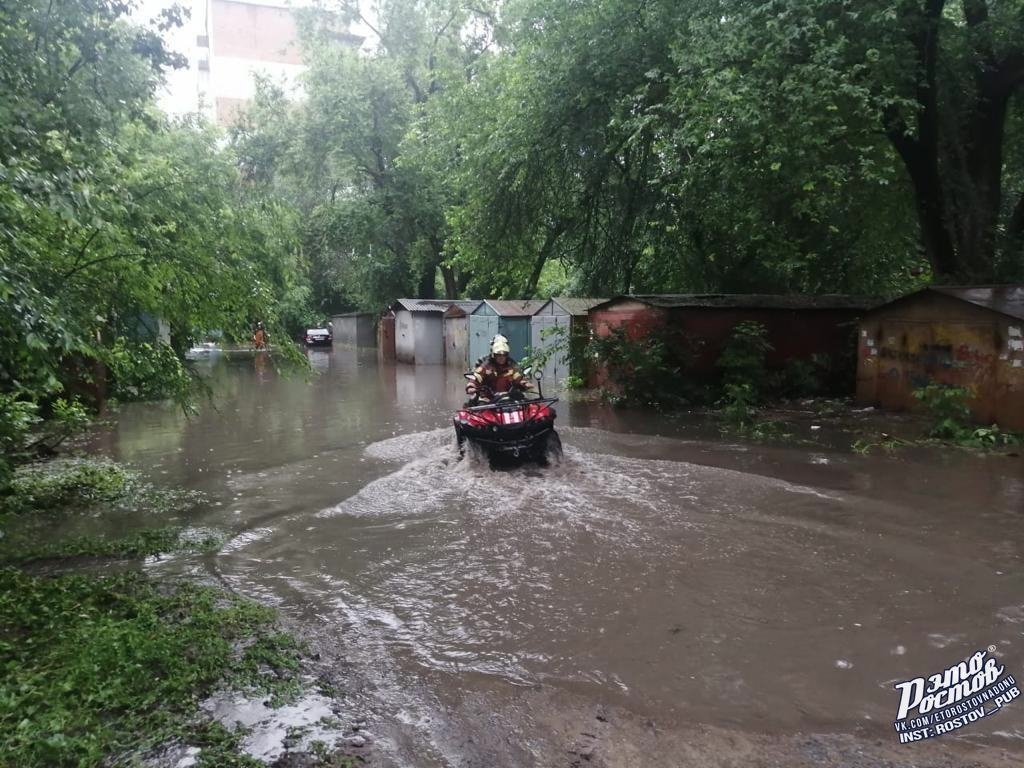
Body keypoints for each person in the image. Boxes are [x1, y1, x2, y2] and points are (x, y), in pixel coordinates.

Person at [466, 334, 533, 404]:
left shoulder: (511, 364)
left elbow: (518, 376)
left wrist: (524, 383)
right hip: (488, 399)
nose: (502, 357)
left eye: (504, 355)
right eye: (499, 355)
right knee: (478, 408)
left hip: (508, 397)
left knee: (526, 404)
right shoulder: (486, 364)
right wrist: (471, 386)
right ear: (493, 354)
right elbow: (477, 376)